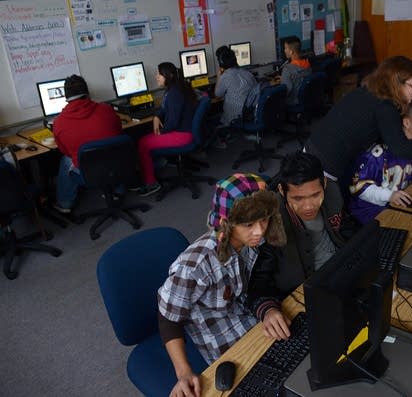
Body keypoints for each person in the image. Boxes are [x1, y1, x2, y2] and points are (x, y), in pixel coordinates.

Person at [157, 173, 288, 397]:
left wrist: (267, 309)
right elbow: (168, 317)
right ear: (227, 223)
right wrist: (184, 372)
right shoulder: (195, 265)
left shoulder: (251, 242)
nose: (259, 231)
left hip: (252, 327)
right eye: (248, 224)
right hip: (226, 349)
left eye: (264, 220)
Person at [304, 55, 412, 185]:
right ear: (397, 84)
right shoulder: (385, 106)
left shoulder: (371, 92)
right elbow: (400, 147)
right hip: (325, 163)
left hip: (315, 148)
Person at [250, 152, 358, 302]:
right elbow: (259, 278)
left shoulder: (332, 192)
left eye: (315, 195)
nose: (308, 206)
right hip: (306, 289)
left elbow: (346, 228)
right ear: (282, 191)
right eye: (298, 198)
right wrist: (267, 308)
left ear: (324, 184)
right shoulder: (270, 220)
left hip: (342, 269)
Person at [349, 101, 412, 224]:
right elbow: (358, 187)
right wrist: (389, 196)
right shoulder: (379, 153)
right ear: (407, 123)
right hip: (369, 213)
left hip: (398, 206)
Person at [52, 75, 122, 213]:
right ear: (87, 92)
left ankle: (65, 203)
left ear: (65, 96)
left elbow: (65, 151)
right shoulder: (106, 109)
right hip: (117, 166)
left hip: (88, 174)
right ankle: (117, 190)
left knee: (65, 160)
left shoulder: (59, 122)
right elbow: (119, 132)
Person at [135, 62, 198, 197]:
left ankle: (151, 183)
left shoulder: (174, 93)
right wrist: (157, 117)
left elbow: (173, 122)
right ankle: (156, 167)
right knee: (145, 140)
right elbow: (163, 107)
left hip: (182, 135)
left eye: (159, 74)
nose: (156, 77)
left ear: (168, 75)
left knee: (143, 143)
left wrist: (161, 133)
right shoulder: (173, 89)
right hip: (183, 131)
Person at [214, 45, 257, 127]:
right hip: (251, 113)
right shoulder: (247, 73)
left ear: (221, 63)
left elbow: (217, 95)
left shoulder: (226, 76)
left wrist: (219, 76)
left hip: (235, 117)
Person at [280, 36, 311, 105]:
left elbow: (286, 91)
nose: (284, 50)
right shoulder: (307, 64)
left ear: (291, 52)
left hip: (294, 101)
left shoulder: (287, 69)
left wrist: (283, 78)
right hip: (307, 98)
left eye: (285, 48)